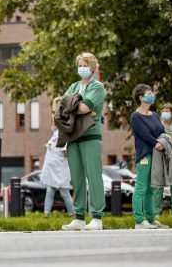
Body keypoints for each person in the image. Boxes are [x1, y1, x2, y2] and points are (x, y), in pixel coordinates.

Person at [61, 53, 106, 231]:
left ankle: (97, 217)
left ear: (93, 67)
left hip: (90, 136)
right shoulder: (74, 86)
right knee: (77, 178)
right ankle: (79, 217)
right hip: (73, 137)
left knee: (94, 176)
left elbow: (85, 107)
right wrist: (72, 105)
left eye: (85, 65)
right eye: (79, 65)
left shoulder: (98, 87)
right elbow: (61, 105)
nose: (82, 68)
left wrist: (71, 104)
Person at [130, 84, 168, 229]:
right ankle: (139, 221)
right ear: (141, 97)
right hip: (145, 155)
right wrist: (157, 143)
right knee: (141, 187)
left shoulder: (155, 115)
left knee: (152, 189)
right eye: (149, 93)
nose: (152, 95)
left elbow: (162, 131)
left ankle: (151, 219)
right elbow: (144, 134)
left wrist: (164, 142)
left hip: (157, 156)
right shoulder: (136, 116)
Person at [40, 98, 74, 218]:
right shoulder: (55, 131)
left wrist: (60, 149)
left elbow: (65, 151)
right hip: (52, 166)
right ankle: (46, 214)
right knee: (50, 191)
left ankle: (72, 214)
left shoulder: (64, 128)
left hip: (60, 167)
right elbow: (54, 114)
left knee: (64, 192)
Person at [154, 103, 172, 217]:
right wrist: (171, 139)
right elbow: (158, 140)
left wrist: (166, 138)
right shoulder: (159, 126)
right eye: (164, 110)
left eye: (168, 111)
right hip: (161, 159)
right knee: (158, 187)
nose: (165, 113)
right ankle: (157, 212)